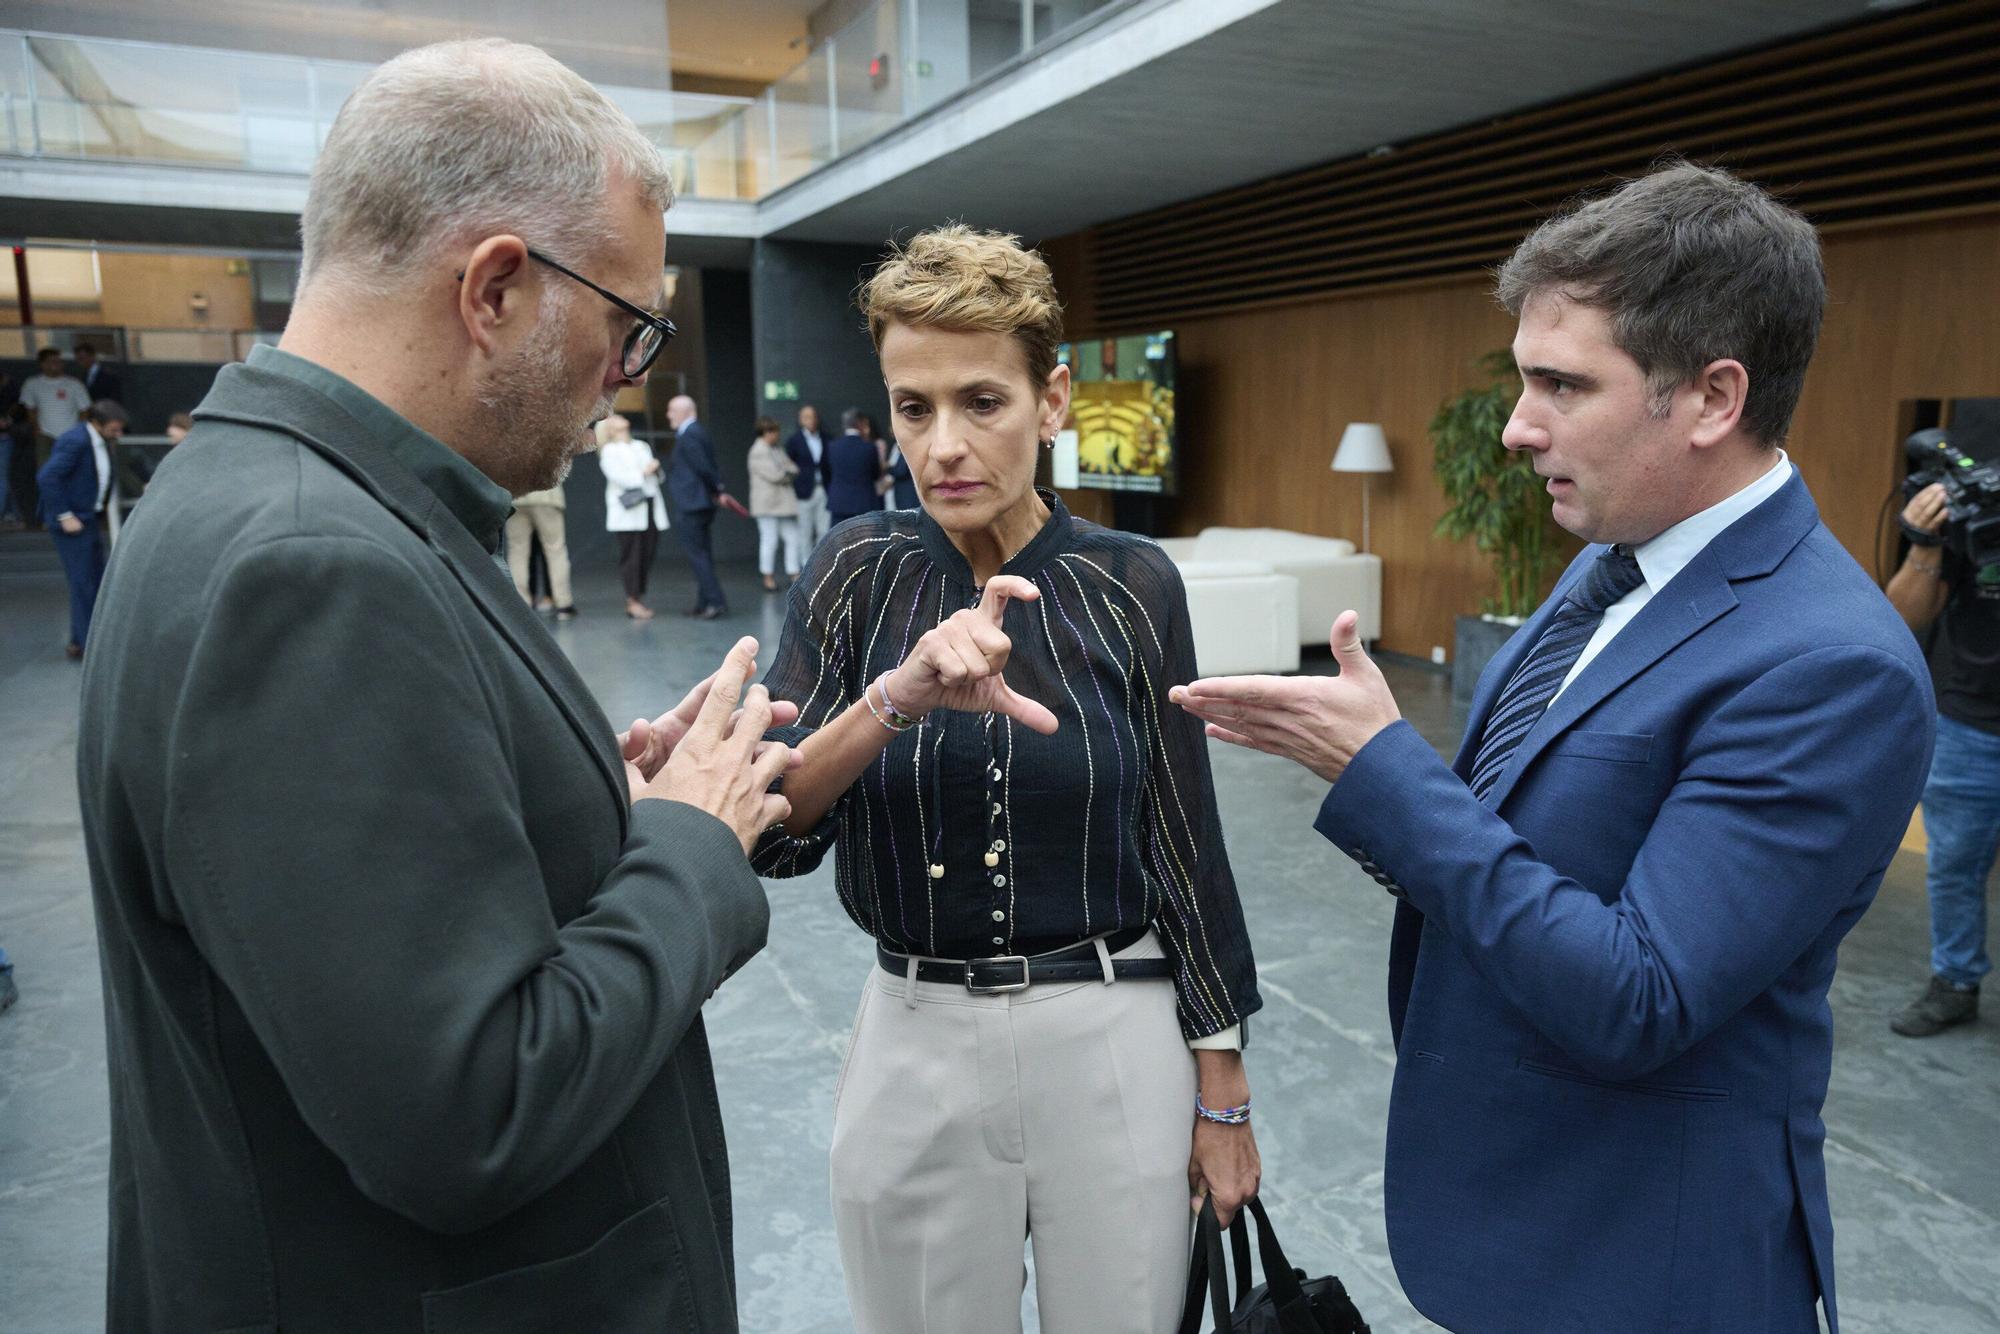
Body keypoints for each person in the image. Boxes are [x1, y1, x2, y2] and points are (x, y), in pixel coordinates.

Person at [72, 39, 796, 1333]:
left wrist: (587, 818)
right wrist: (691, 842)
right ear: (499, 289)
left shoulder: (266, 498)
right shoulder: (307, 569)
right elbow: (470, 1110)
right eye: (625, 328)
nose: (618, 382)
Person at [1172, 163, 1935, 1334]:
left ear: (1711, 398)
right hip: (1519, 1218)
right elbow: (1522, 839)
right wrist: (1377, 774)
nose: (1516, 424)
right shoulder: (1612, 554)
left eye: (1560, 384)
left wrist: (1380, 772)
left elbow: (1639, 994)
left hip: (1641, 1263)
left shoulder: (1832, 666)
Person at [754, 225, 1262, 1334]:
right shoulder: (854, 571)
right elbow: (775, 831)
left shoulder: (1130, 584)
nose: (942, 444)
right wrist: (894, 697)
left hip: (1111, 1036)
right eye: (911, 406)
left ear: (1055, 398)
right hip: (910, 1033)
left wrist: (1222, 1091)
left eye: (981, 401)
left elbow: (1182, 835)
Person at [1885, 471, 2000, 1036]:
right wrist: (1927, 541)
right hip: (1970, 725)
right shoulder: (1983, 510)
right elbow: (1903, 616)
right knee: (1953, 867)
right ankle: (1955, 981)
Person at [37, 398, 125, 660]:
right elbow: (48, 476)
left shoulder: (99, 440)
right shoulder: (75, 441)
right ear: (96, 423)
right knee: (83, 582)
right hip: (73, 523)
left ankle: (80, 640)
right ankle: (88, 645)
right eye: (113, 429)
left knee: (91, 579)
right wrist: (65, 515)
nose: (118, 434)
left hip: (87, 518)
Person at [665, 393, 731, 618]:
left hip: (693, 504)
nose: (668, 415)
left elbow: (704, 467)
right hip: (699, 503)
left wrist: (717, 489)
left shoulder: (690, 434)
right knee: (701, 554)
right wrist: (717, 490)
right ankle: (704, 603)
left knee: (698, 555)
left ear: (687, 411)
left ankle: (714, 601)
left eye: (672, 410)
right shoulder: (694, 432)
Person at [598, 412, 669, 619]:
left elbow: (658, 478)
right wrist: (645, 472)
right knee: (632, 557)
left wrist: (655, 470)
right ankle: (633, 600)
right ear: (608, 429)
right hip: (628, 512)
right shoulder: (609, 451)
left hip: (649, 505)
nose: (618, 417)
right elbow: (619, 477)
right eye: (613, 419)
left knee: (647, 553)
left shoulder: (641, 446)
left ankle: (638, 596)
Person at [505, 479, 577, 619]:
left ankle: (521, 602)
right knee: (555, 550)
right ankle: (563, 604)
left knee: (517, 551)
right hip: (547, 496)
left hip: (516, 497)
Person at [746, 415, 801, 591]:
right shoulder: (758, 451)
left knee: (792, 537)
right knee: (769, 540)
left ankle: (794, 572)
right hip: (767, 504)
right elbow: (776, 474)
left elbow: (792, 468)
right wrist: (786, 471)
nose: (777, 435)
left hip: (783, 503)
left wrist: (785, 470)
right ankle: (767, 576)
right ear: (766, 432)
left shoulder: (776, 449)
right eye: (774, 431)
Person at [19, 346, 86, 466]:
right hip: (45, 435)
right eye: (53, 361)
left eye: (59, 361)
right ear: (43, 364)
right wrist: (36, 428)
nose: (57, 364)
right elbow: (29, 408)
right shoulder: (32, 383)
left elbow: (85, 409)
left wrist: (79, 430)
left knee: (71, 468)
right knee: (46, 469)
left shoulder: (74, 384)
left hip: (69, 435)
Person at [822, 405, 881, 529]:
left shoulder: (832, 446)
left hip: (838, 502)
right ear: (859, 424)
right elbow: (876, 474)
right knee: (864, 542)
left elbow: (826, 473)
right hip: (864, 503)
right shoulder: (869, 447)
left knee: (837, 542)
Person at [785, 403, 832, 550]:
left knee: (824, 530)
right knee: (805, 530)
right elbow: (788, 464)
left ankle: (820, 565)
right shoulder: (794, 441)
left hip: (823, 488)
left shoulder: (827, 438)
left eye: (812, 417)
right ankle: (806, 566)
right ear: (800, 420)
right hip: (804, 490)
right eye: (806, 417)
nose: (810, 420)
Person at [73, 340, 124, 406]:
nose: (80, 362)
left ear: (92, 356)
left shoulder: (108, 376)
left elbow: (115, 399)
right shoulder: (81, 376)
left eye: (82, 358)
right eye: (78, 359)